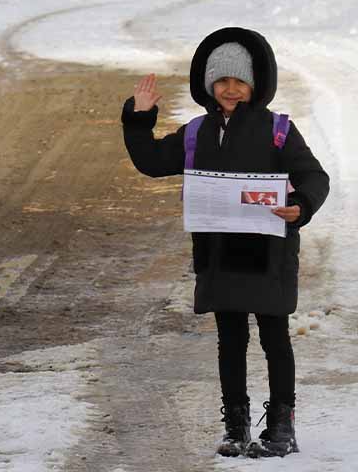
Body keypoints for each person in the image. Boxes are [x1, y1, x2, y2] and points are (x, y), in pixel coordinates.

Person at [120, 27, 330, 458]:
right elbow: (151, 162)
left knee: (275, 338)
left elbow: (314, 176)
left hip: (268, 252)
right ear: (208, 85)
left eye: (239, 81)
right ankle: (236, 425)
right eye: (222, 81)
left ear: (254, 84)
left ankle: (281, 427)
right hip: (219, 254)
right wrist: (139, 118)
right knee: (230, 340)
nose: (230, 89)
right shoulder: (197, 133)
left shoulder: (278, 131)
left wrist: (302, 205)